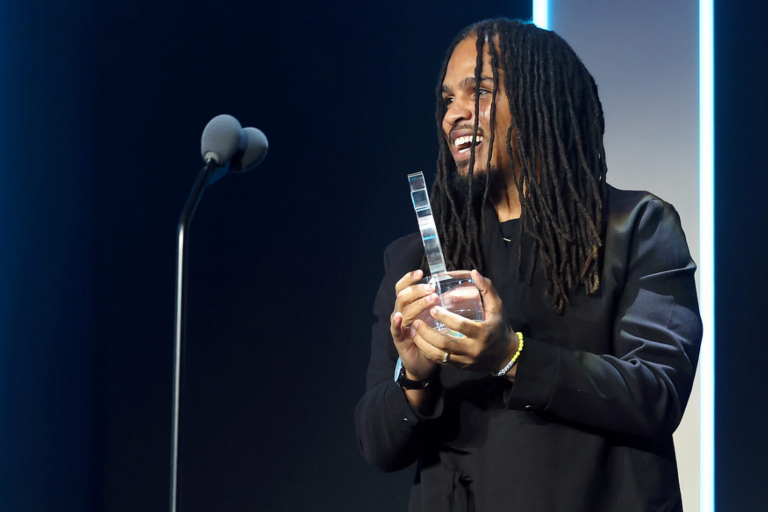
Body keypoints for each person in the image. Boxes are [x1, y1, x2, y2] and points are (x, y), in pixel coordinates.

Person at [355, 18, 703, 512]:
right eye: (446, 99)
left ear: (544, 102)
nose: (453, 113)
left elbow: (658, 391)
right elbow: (378, 444)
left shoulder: (637, 227)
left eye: (479, 90)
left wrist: (511, 356)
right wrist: (415, 377)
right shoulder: (414, 258)